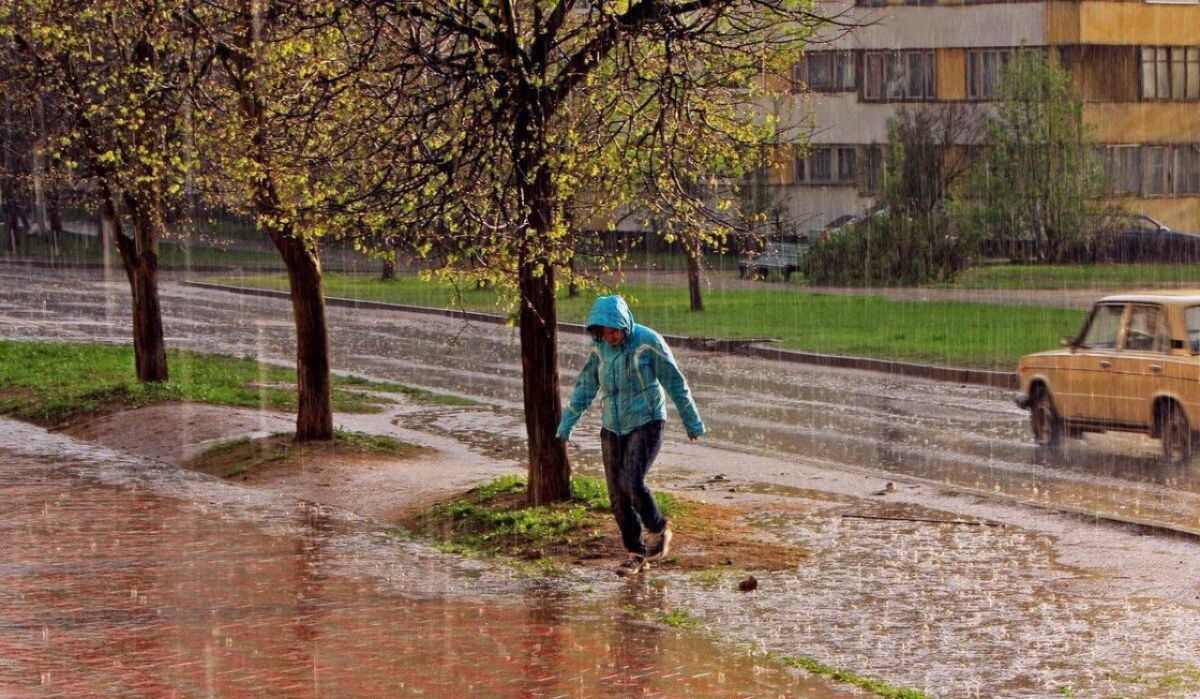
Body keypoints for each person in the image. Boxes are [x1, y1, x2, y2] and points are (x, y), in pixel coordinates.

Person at [556, 295, 705, 575]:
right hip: (612, 426)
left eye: (614, 330)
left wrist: (692, 423)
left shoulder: (647, 342)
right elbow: (585, 387)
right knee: (617, 495)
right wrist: (567, 424)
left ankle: (659, 528)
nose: (610, 336)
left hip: (647, 422)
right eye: (604, 331)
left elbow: (675, 382)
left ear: (625, 324)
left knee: (630, 481)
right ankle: (635, 553)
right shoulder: (599, 349)